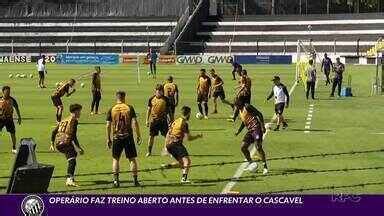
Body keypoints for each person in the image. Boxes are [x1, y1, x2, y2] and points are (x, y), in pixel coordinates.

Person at [106, 91, 142, 187]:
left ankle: (116, 181)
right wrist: (138, 135)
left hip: (116, 137)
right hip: (128, 136)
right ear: (124, 97)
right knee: (132, 159)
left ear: (116, 97)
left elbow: (108, 125)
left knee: (115, 159)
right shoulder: (129, 108)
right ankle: (135, 181)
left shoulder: (112, 109)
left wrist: (108, 138)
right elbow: (134, 122)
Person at [164, 106, 202, 183]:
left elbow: (168, 133)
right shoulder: (184, 123)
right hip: (176, 144)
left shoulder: (176, 120)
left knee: (182, 163)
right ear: (188, 114)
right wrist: (198, 136)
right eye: (190, 114)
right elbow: (189, 138)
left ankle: (167, 166)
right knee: (187, 162)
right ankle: (184, 179)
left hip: (169, 145)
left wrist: (165, 146)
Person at [50, 104, 84, 187]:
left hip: (58, 143)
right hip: (65, 142)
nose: (80, 113)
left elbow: (54, 132)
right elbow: (73, 135)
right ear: (75, 111)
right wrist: (78, 147)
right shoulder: (74, 120)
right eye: (79, 111)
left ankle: (70, 177)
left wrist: (52, 143)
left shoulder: (64, 120)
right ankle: (69, 179)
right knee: (72, 160)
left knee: (72, 157)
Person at [235, 103, 268, 175]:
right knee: (243, 147)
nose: (236, 107)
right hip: (250, 131)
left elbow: (259, 114)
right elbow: (244, 122)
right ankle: (251, 163)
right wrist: (238, 131)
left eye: (236, 105)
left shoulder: (247, 107)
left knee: (258, 147)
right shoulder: (240, 112)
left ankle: (265, 167)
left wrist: (262, 126)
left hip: (257, 128)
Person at [146, 84, 171, 157]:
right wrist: (147, 120)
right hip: (154, 121)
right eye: (158, 91)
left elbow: (169, 111)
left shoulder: (166, 99)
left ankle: (168, 151)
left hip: (163, 121)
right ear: (155, 91)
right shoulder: (151, 99)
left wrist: (171, 120)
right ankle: (149, 152)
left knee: (167, 136)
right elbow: (149, 110)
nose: (159, 92)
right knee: (151, 136)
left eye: (161, 91)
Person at [0, 86, 22, 154]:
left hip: (9, 119)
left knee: (13, 133)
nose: (8, 93)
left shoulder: (12, 100)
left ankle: (14, 148)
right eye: (7, 92)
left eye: (9, 92)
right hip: (0, 119)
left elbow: (16, 108)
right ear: (3, 92)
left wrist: (19, 117)